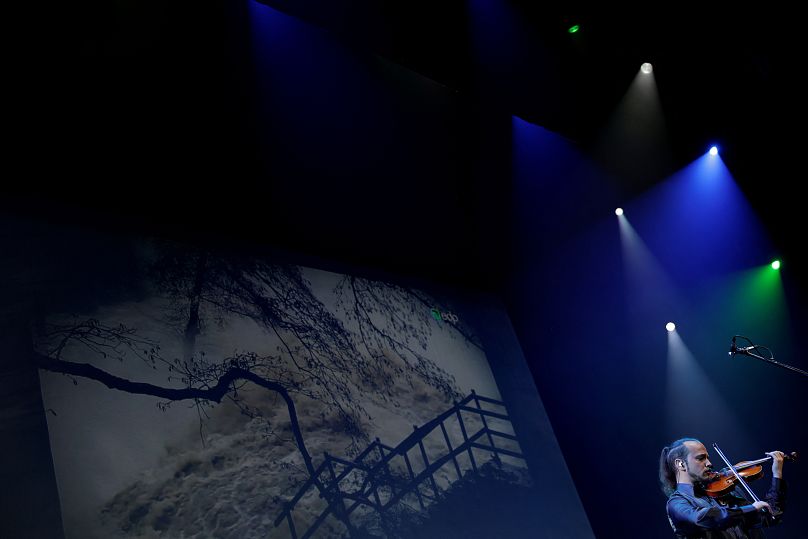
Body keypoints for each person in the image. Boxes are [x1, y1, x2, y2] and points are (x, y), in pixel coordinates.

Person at [659, 437, 787, 538]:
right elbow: (703, 518)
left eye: (708, 458)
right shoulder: (677, 503)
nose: (710, 463)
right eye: (701, 458)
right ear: (680, 464)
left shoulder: (727, 492)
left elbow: (771, 516)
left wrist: (777, 475)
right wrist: (749, 508)